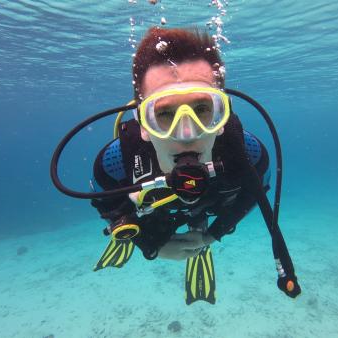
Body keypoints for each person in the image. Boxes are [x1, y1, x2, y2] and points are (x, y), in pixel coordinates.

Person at [50, 26, 300, 305]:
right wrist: (147, 243)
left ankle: (198, 224)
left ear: (222, 118)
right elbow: (105, 203)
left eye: (203, 109)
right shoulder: (114, 163)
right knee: (144, 213)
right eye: (164, 113)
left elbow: (252, 195)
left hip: (212, 203)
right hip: (155, 212)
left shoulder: (250, 155)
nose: (186, 133)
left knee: (207, 205)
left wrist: (211, 235)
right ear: (143, 125)